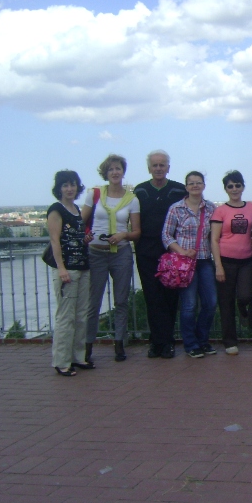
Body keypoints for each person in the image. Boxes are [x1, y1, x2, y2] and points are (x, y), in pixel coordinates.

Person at [82, 154, 141, 363]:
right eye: (111, 169)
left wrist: (123, 234)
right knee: (93, 302)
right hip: (96, 253)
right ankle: (87, 347)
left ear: (123, 172)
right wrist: (85, 235)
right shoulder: (95, 194)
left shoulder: (132, 199)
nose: (115, 172)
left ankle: (119, 344)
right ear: (105, 173)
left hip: (121, 253)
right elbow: (81, 222)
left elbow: (137, 232)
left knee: (121, 301)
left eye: (118, 168)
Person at [134, 151, 186, 359]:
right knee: (152, 297)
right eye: (154, 165)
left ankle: (167, 342)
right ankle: (156, 342)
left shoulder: (178, 190)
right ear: (149, 168)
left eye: (162, 165)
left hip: (171, 251)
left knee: (170, 297)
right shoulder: (140, 191)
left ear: (168, 168)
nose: (158, 168)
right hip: (146, 251)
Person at [162, 172, 217, 358]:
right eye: (191, 183)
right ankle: (191, 344)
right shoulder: (176, 208)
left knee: (211, 302)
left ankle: (203, 340)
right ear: (186, 187)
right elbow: (166, 235)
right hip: (184, 263)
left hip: (205, 260)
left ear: (204, 185)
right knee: (189, 304)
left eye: (198, 182)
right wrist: (181, 251)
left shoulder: (210, 208)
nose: (195, 186)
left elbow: (215, 235)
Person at [47, 170, 92, 376]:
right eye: (65, 185)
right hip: (68, 270)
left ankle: (78, 357)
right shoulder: (56, 210)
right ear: (59, 188)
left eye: (72, 184)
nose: (69, 189)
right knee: (66, 317)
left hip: (82, 266)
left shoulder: (75, 209)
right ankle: (61, 361)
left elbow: (73, 237)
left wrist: (85, 239)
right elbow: (55, 240)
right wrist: (61, 268)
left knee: (81, 315)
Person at [210, 170, 252, 356]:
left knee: (245, 295)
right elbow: (214, 239)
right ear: (226, 189)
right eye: (230, 186)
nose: (234, 189)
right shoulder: (220, 211)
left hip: (246, 260)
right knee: (225, 302)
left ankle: (242, 306)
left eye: (237, 185)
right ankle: (230, 341)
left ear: (243, 187)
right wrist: (218, 265)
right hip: (226, 260)